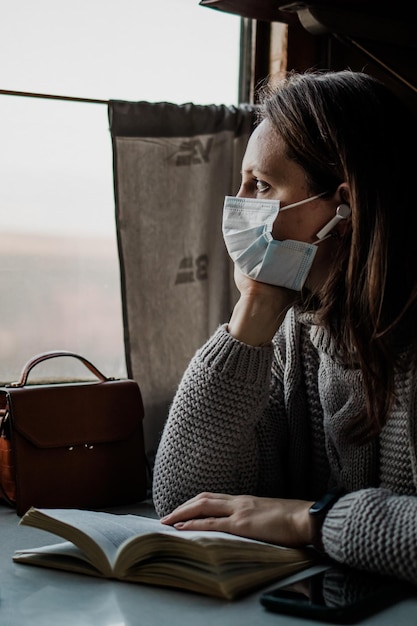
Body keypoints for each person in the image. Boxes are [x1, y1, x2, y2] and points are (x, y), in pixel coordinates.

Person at [152, 69, 417, 586]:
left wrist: (309, 520)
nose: (240, 203)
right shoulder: (296, 331)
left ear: (346, 206)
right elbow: (188, 500)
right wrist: (254, 309)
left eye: (262, 185)